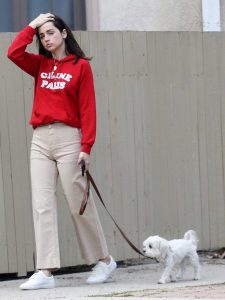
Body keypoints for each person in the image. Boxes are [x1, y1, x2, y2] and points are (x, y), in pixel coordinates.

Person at [7, 13, 117, 290]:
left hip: (70, 138)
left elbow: (88, 109)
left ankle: (104, 260)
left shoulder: (80, 67)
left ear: (64, 34)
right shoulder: (40, 65)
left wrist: (86, 146)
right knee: (42, 204)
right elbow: (13, 52)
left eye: (50, 33)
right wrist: (32, 26)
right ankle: (46, 271)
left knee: (77, 201)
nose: (46, 38)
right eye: (42, 35)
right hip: (41, 139)